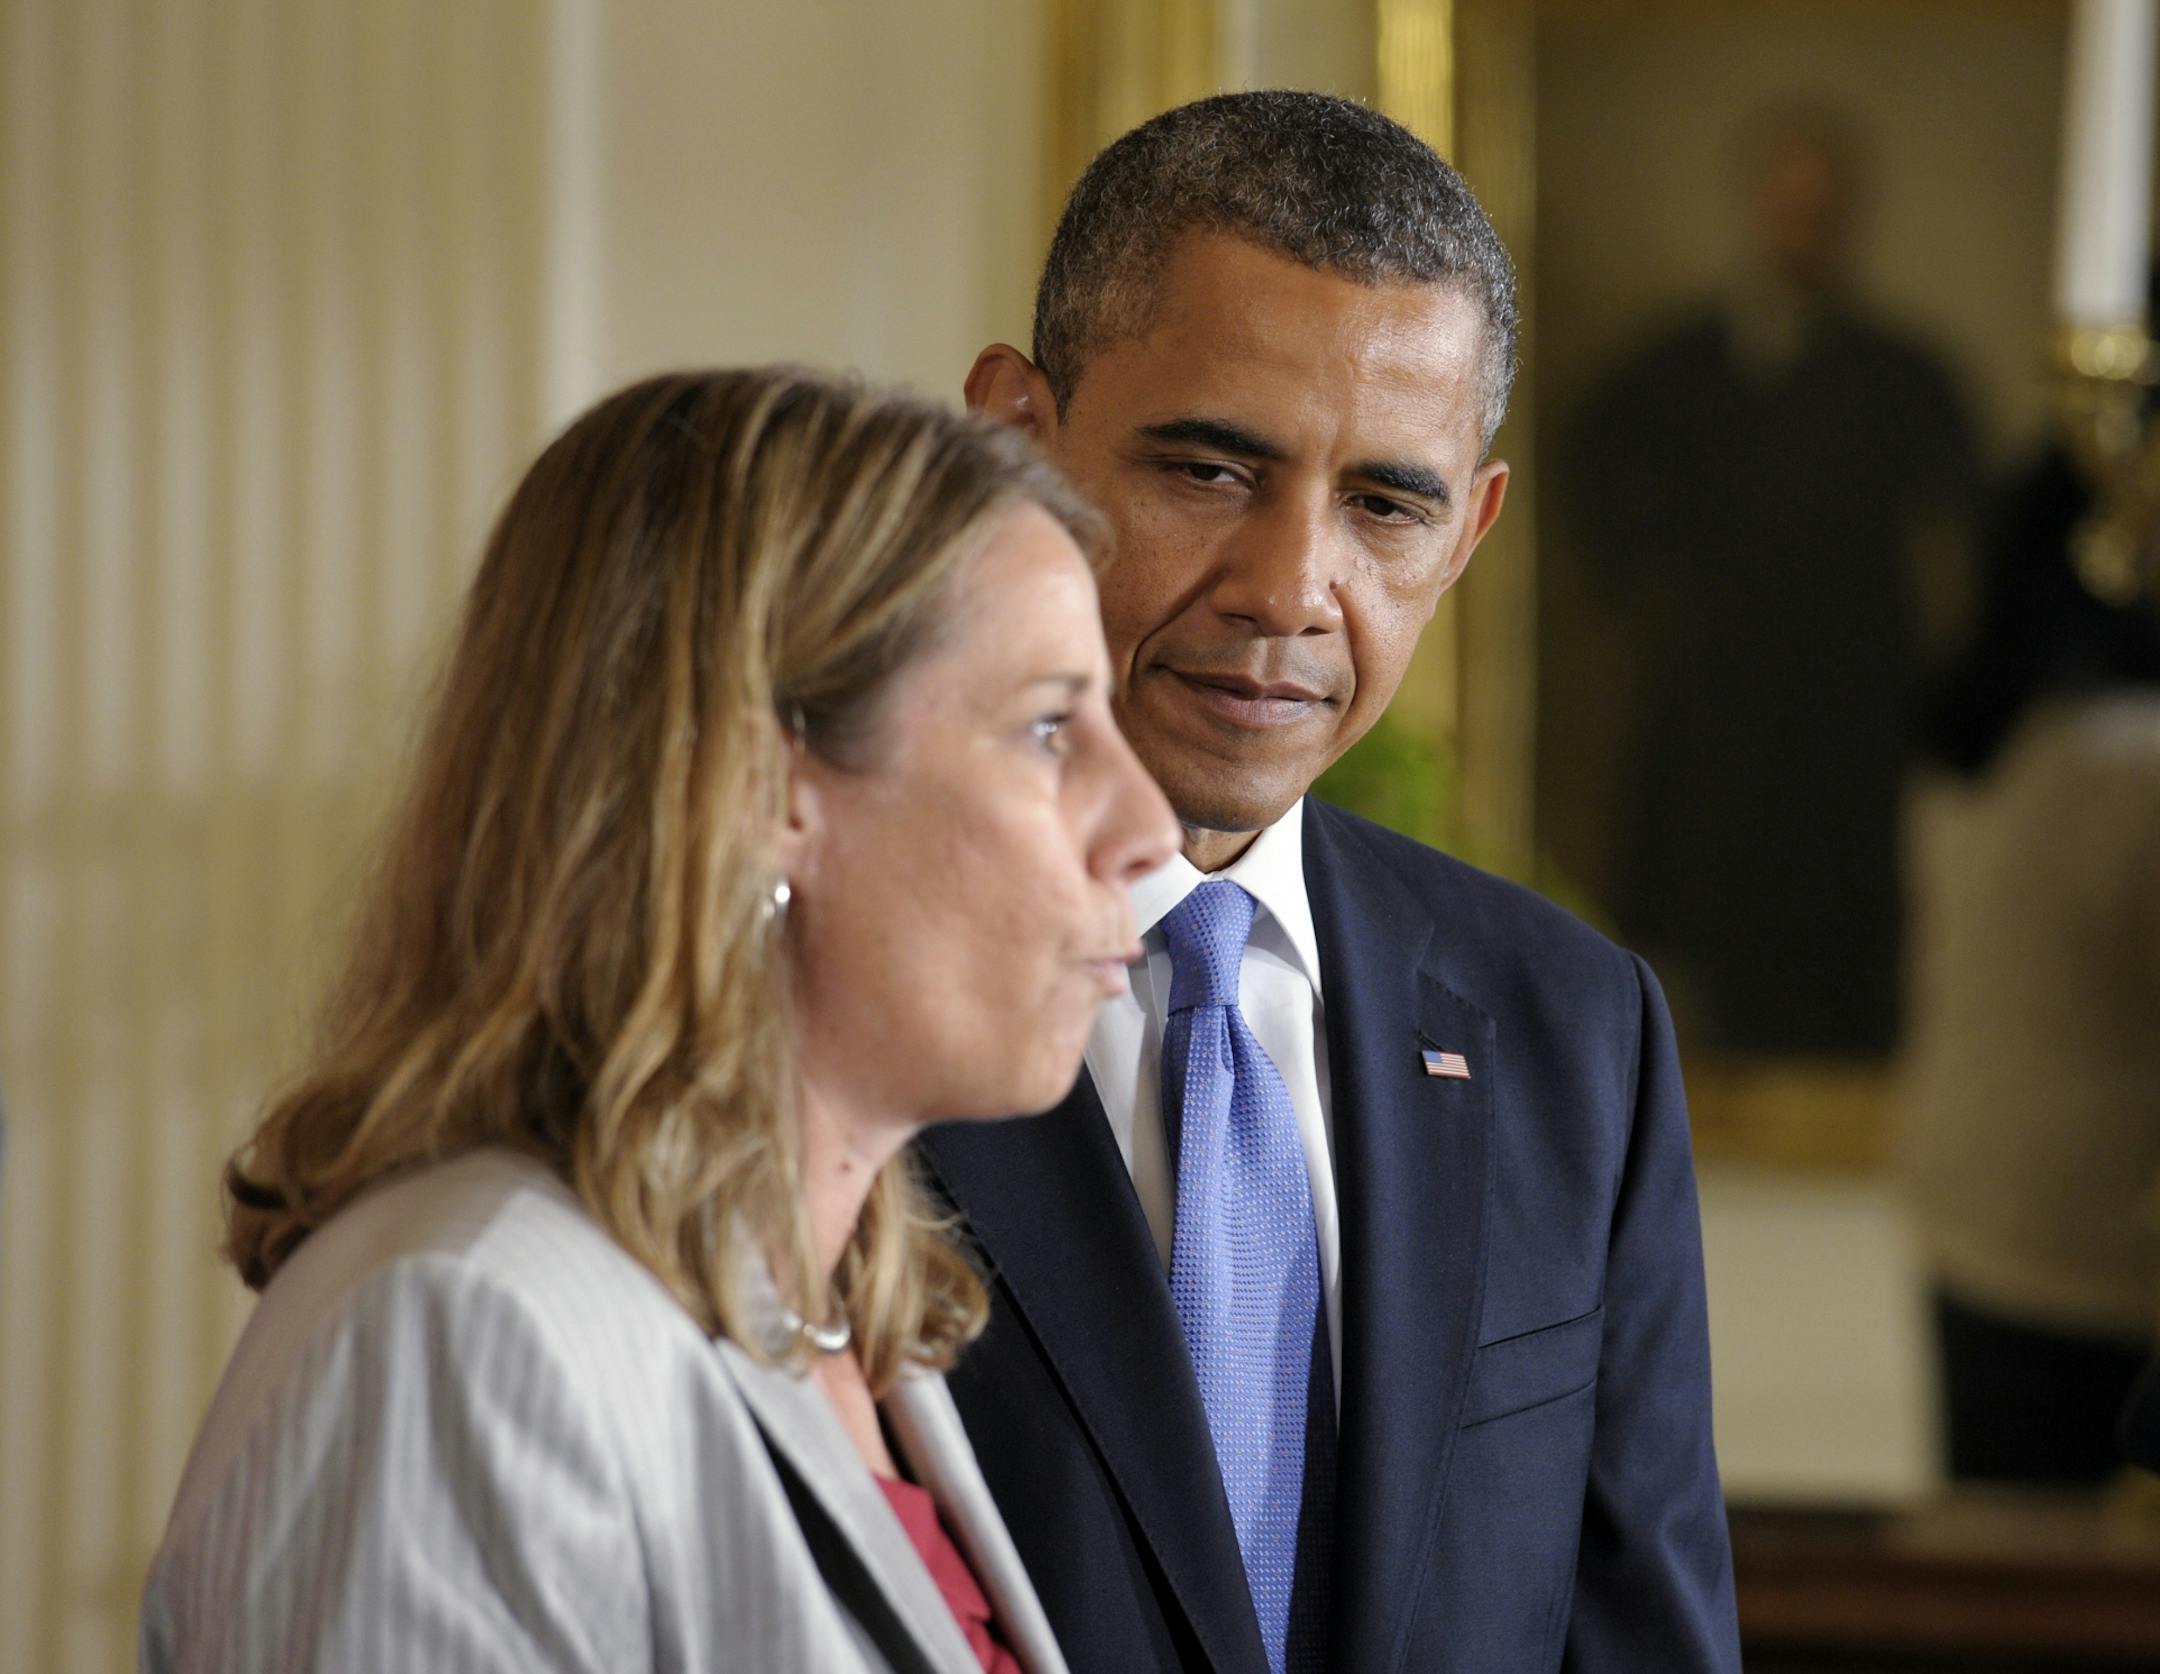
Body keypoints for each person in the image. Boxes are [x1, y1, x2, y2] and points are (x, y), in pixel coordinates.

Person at [140, 367, 1180, 1673]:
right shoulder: (466, 1330)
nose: (1145, 827)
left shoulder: (851, 1320)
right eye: (1045, 730)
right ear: (761, 785)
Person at [921, 92, 1741, 1674]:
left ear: (1467, 532)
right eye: (1212, 471)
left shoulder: (1580, 1030)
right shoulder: (800, 982)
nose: (1294, 587)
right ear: (1009, 440)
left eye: (1385, 502)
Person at [1561, 105, 1977, 1056]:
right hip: (1720, 725)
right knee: (1714, 963)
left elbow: (1964, 545)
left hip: (1851, 734)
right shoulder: (1672, 371)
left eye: (1821, 210)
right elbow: (1599, 491)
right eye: (1787, 206)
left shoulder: (1904, 377)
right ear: (1756, 209)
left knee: (1849, 968)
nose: (1803, 229)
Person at [1902, 441, 2160, 1487]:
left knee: (2005, 1573)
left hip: (1975, 1212)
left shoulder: (1976, 744)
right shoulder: (2134, 765)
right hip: (2111, 1246)